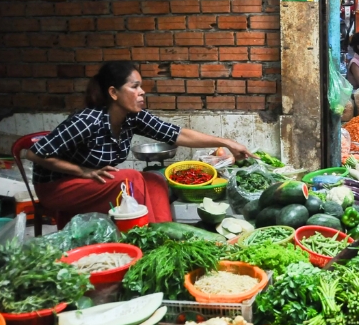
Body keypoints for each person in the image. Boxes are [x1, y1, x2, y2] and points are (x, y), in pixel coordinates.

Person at [27, 61, 253, 224]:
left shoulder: (132, 117)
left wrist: (227, 142)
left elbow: (178, 135)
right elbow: (35, 153)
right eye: (134, 87)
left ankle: (163, 234)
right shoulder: (88, 121)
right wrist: (83, 171)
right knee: (131, 177)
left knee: (155, 181)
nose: (142, 92)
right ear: (114, 92)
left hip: (90, 182)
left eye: (141, 86)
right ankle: (144, 237)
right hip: (57, 187)